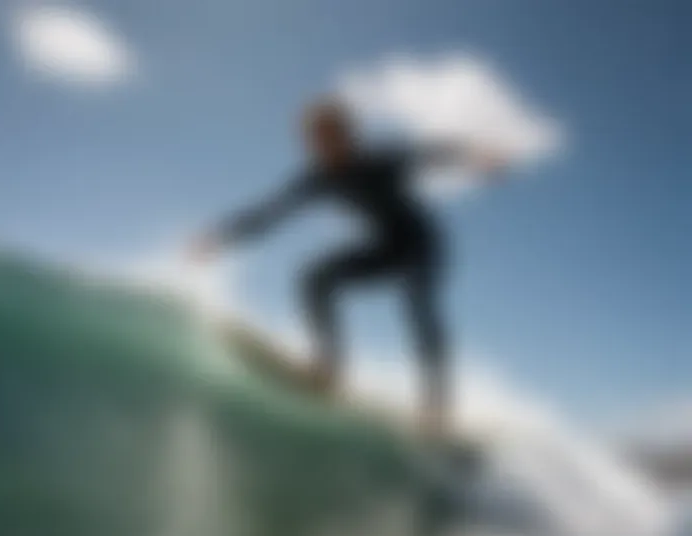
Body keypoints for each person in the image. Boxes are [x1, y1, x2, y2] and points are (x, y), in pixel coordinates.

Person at [193, 99, 506, 436]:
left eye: (331, 136)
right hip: (385, 247)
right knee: (315, 278)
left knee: (417, 308)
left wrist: (478, 156)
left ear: (348, 135)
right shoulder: (317, 179)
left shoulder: (378, 161)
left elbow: (436, 151)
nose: (323, 146)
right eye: (315, 139)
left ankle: (436, 407)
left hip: (421, 244)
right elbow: (268, 215)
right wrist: (221, 237)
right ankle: (327, 369)